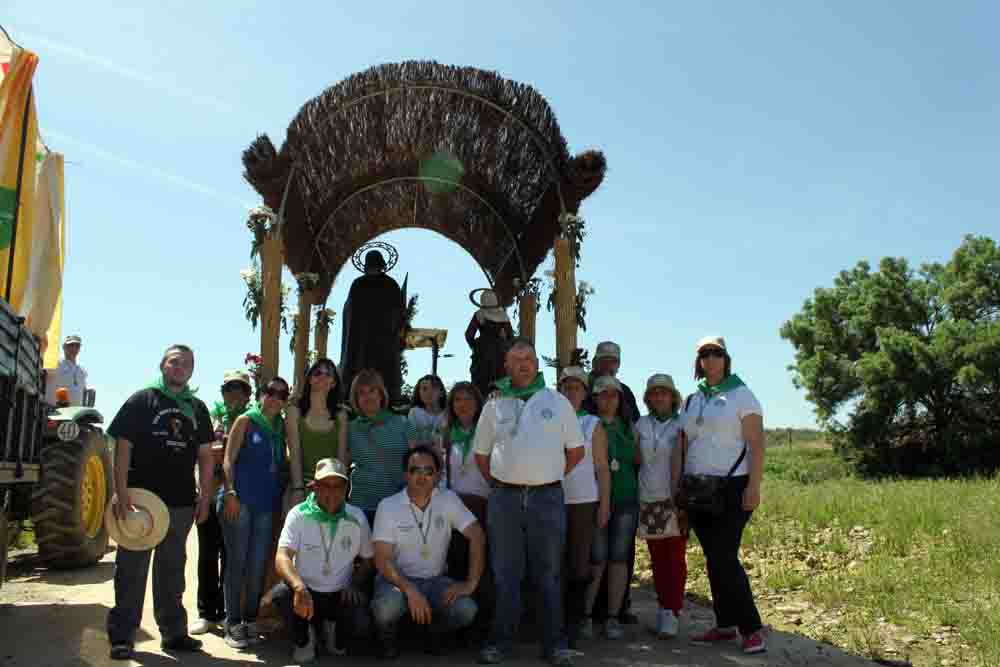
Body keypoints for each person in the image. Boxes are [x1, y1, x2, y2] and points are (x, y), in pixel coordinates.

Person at [474, 338, 585, 666]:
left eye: (529, 358)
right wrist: (502, 481)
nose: (523, 364)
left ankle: (555, 645)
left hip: (547, 498)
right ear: (506, 365)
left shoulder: (558, 402)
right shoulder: (494, 406)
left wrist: (547, 475)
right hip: (504, 499)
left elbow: (576, 451)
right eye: (517, 358)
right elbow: (481, 454)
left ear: (536, 364)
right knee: (505, 574)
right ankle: (501, 643)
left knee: (548, 574)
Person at [105, 344, 215, 660]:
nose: (181, 367)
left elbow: (206, 456)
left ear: (192, 370)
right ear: (163, 365)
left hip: (180, 503)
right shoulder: (142, 400)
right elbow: (122, 447)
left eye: (187, 363)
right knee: (131, 571)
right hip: (141, 501)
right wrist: (120, 491)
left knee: (172, 571)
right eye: (174, 361)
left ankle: (174, 633)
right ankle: (123, 637)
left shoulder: (197, 408)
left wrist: (205, 497)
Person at [682, 336, 767, 654]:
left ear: (726, 359)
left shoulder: (742, 395)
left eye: (716, 353)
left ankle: (752, 629)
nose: (711, 358)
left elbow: (756, 445)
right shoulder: (692, 399)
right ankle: (724, 625)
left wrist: (754, 487)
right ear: (699, 361)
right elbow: (685, 442)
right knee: (714, 559)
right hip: (697, 489)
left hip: (732, 487)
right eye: (705, 353)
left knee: (724, 558)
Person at [371, 445, 484, 658]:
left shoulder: (448, 499)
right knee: (387, 607)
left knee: (467, 610)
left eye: (428, 471)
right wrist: (410, 589)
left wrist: (471, 583)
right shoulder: (388, 506)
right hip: (397, 581)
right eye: (415, 470)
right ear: (406, 474)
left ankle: (434, 632)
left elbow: (477, 534)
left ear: (438, 475)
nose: (422, 477)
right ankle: (388, 637)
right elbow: (381, 559)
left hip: (435, 582)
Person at [273, 458, 374, 663]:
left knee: (361, 623)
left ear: (346, 489)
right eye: (325, 485)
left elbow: (368, 560)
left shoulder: (356, 517)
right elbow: (282, 556)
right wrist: (298, 586)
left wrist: (355, 583)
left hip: (340, 594)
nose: (332, 492)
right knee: (281, 594)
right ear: (315, 487)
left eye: (338, 486)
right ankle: (304, 639)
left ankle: (331, 630)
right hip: (306, 592)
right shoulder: (298, 514)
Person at [218, 376, 290, 649]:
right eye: (271, 392)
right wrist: (230, 493)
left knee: (258, 565)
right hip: (240, 501)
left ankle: (249, 620)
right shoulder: (246, 421)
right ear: (261, 394)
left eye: (282, 395)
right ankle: (232, 622)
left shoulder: (281, 427)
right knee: (237, 563)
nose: (276, 398)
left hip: (265, 504)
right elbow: (228, 460)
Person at [190, 370, 252, 636]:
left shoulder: (252, 421)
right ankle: (207, 613)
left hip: (234, 498)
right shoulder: (211, 419)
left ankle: (228, 611)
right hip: (208, 494)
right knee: (207, 554)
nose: (234, 394)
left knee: (231, 556)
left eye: (240, 389)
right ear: (222, 393)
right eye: (229, 389)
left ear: (248, 394)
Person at [584, 340, 641, 627]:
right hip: (592, 494)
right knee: (595, 556)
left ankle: (616, 610)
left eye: (613, 360)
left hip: (625, 495)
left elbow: (638, 452)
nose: (608, 364)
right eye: (604, 359)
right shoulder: (585, 400)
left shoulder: (627, 396)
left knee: (621, 555)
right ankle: (586, 612)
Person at [556, 367, 610, 647]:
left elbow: (602, 467)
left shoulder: (592, 424)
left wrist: (604, 504)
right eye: (566, 387)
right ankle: (550, 623)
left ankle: (574, 625)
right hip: (552, 499)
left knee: (579, 564)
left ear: (585, 393)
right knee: (553, 563)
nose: (571, 392)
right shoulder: (550, 420)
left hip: (583, 501)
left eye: (577, 387)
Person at [636, 373, 687, 638]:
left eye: (663, 392)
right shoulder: (641, 424)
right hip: (648, 499)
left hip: (674, 500)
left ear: (672, 397)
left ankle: (673, 611)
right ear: (648, 398)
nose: (659, 397)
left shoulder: (682, 424)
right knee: (657, 559)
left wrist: (682, 500)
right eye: (654, 393)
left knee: (675, 558)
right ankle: (663, 607)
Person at [441, 381, 492, 639]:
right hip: (455, 507)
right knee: (458, 564)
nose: (463, 404)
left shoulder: (487, 431)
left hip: (484, 505)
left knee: (483, 566)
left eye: (469, 399)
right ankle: (459, 627)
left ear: (478, 403)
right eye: (458, 399)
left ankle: (483, 628)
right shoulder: (446, 435)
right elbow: (441, 473)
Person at [345, 369, 417, 525]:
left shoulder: (402, 423)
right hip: (361, 507)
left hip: (397, 506)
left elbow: (417, 463)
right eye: (361, 393)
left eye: (372, 391)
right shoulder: (350, 428)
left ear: (381, 394)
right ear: (356, 399)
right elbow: (342, 464)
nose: (368, 396)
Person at [340, 250, 405, 402]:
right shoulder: (388, 284)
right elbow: (350, 314)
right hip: (369, 342)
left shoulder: (361, 284)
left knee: (378, 374)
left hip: (369, 343)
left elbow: (348, 314)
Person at [286, 358, 349, 502]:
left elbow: (341, 458)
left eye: (328, 374)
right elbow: (294, 453)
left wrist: (339, 492)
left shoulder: (341, 415)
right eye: (317, 373)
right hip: (301, 486)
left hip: (331, 488)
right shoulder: (294, 411)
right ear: (310, 379)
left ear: (333, 383)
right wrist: (298, 489)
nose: (322, 377)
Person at [465, 289, 514, 399]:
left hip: (482, 352)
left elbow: (469, 335)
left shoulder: (479, 314)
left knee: (480, 388)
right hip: (500, 353)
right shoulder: (503, 316)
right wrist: (505, 346)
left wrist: (475, 346)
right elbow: (511, 337)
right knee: (501, 386)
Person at [45, 334, 88, 406]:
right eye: (71, 345)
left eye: (77, 346)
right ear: (64, 347)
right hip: (55, 411)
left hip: (75, 412)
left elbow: (84, 391)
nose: (74, 348)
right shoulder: (55, 363)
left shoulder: (82, 371)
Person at [407, 374, 447, 449]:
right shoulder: (414, 412)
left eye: (433, 388)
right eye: (424, 389)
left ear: (441, 392)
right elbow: (412, 443)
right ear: (419, 393)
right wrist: (433, 443)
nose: (429, 392)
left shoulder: (447, 414)